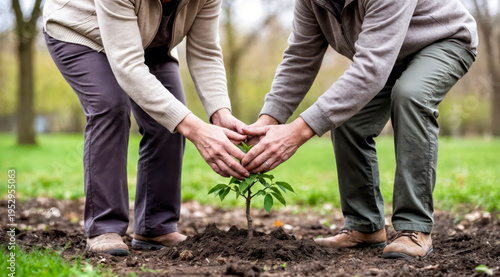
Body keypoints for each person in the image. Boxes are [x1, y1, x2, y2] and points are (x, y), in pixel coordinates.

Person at [242, 0, 477, 259]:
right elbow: (300, 57)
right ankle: (364, 227)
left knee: (410, 95)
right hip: (388, 54)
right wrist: (268, 120)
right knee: (345, 116)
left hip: (442, 40)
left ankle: (414, 227)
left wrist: (297, 133)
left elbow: (371, 68)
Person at [43, 0, 250, 256]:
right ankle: (104, 227)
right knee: (111, 107)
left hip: (148, 42)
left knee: (170, 119)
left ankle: (156, 226)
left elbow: (205, 51)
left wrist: (220, 112)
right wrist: (196, 129)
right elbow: (128, 65)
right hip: (82, 33)